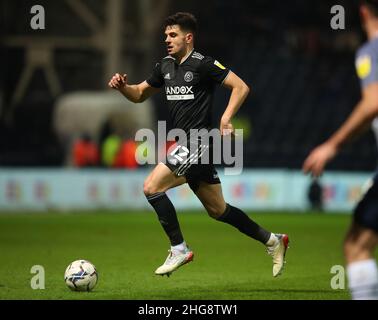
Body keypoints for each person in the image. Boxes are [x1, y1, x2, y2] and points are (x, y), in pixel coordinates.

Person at [109, 12, 289, 277]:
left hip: (199, 142)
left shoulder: (203, 64)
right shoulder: (165, 66)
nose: (167, 40)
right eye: (165, 36)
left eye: (173, 35)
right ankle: (273, 240)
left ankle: (179, 248)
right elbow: (138, 95)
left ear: (188, 37)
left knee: (151, 187)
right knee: (218, 210)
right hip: (186, 144)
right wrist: (123, 87)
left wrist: (226, 118)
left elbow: (240, 87)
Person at [303, 0, 378, 300]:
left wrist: (331, 145)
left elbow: (372, 103)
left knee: (356, 245)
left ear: (362, 12)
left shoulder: (371, 51)